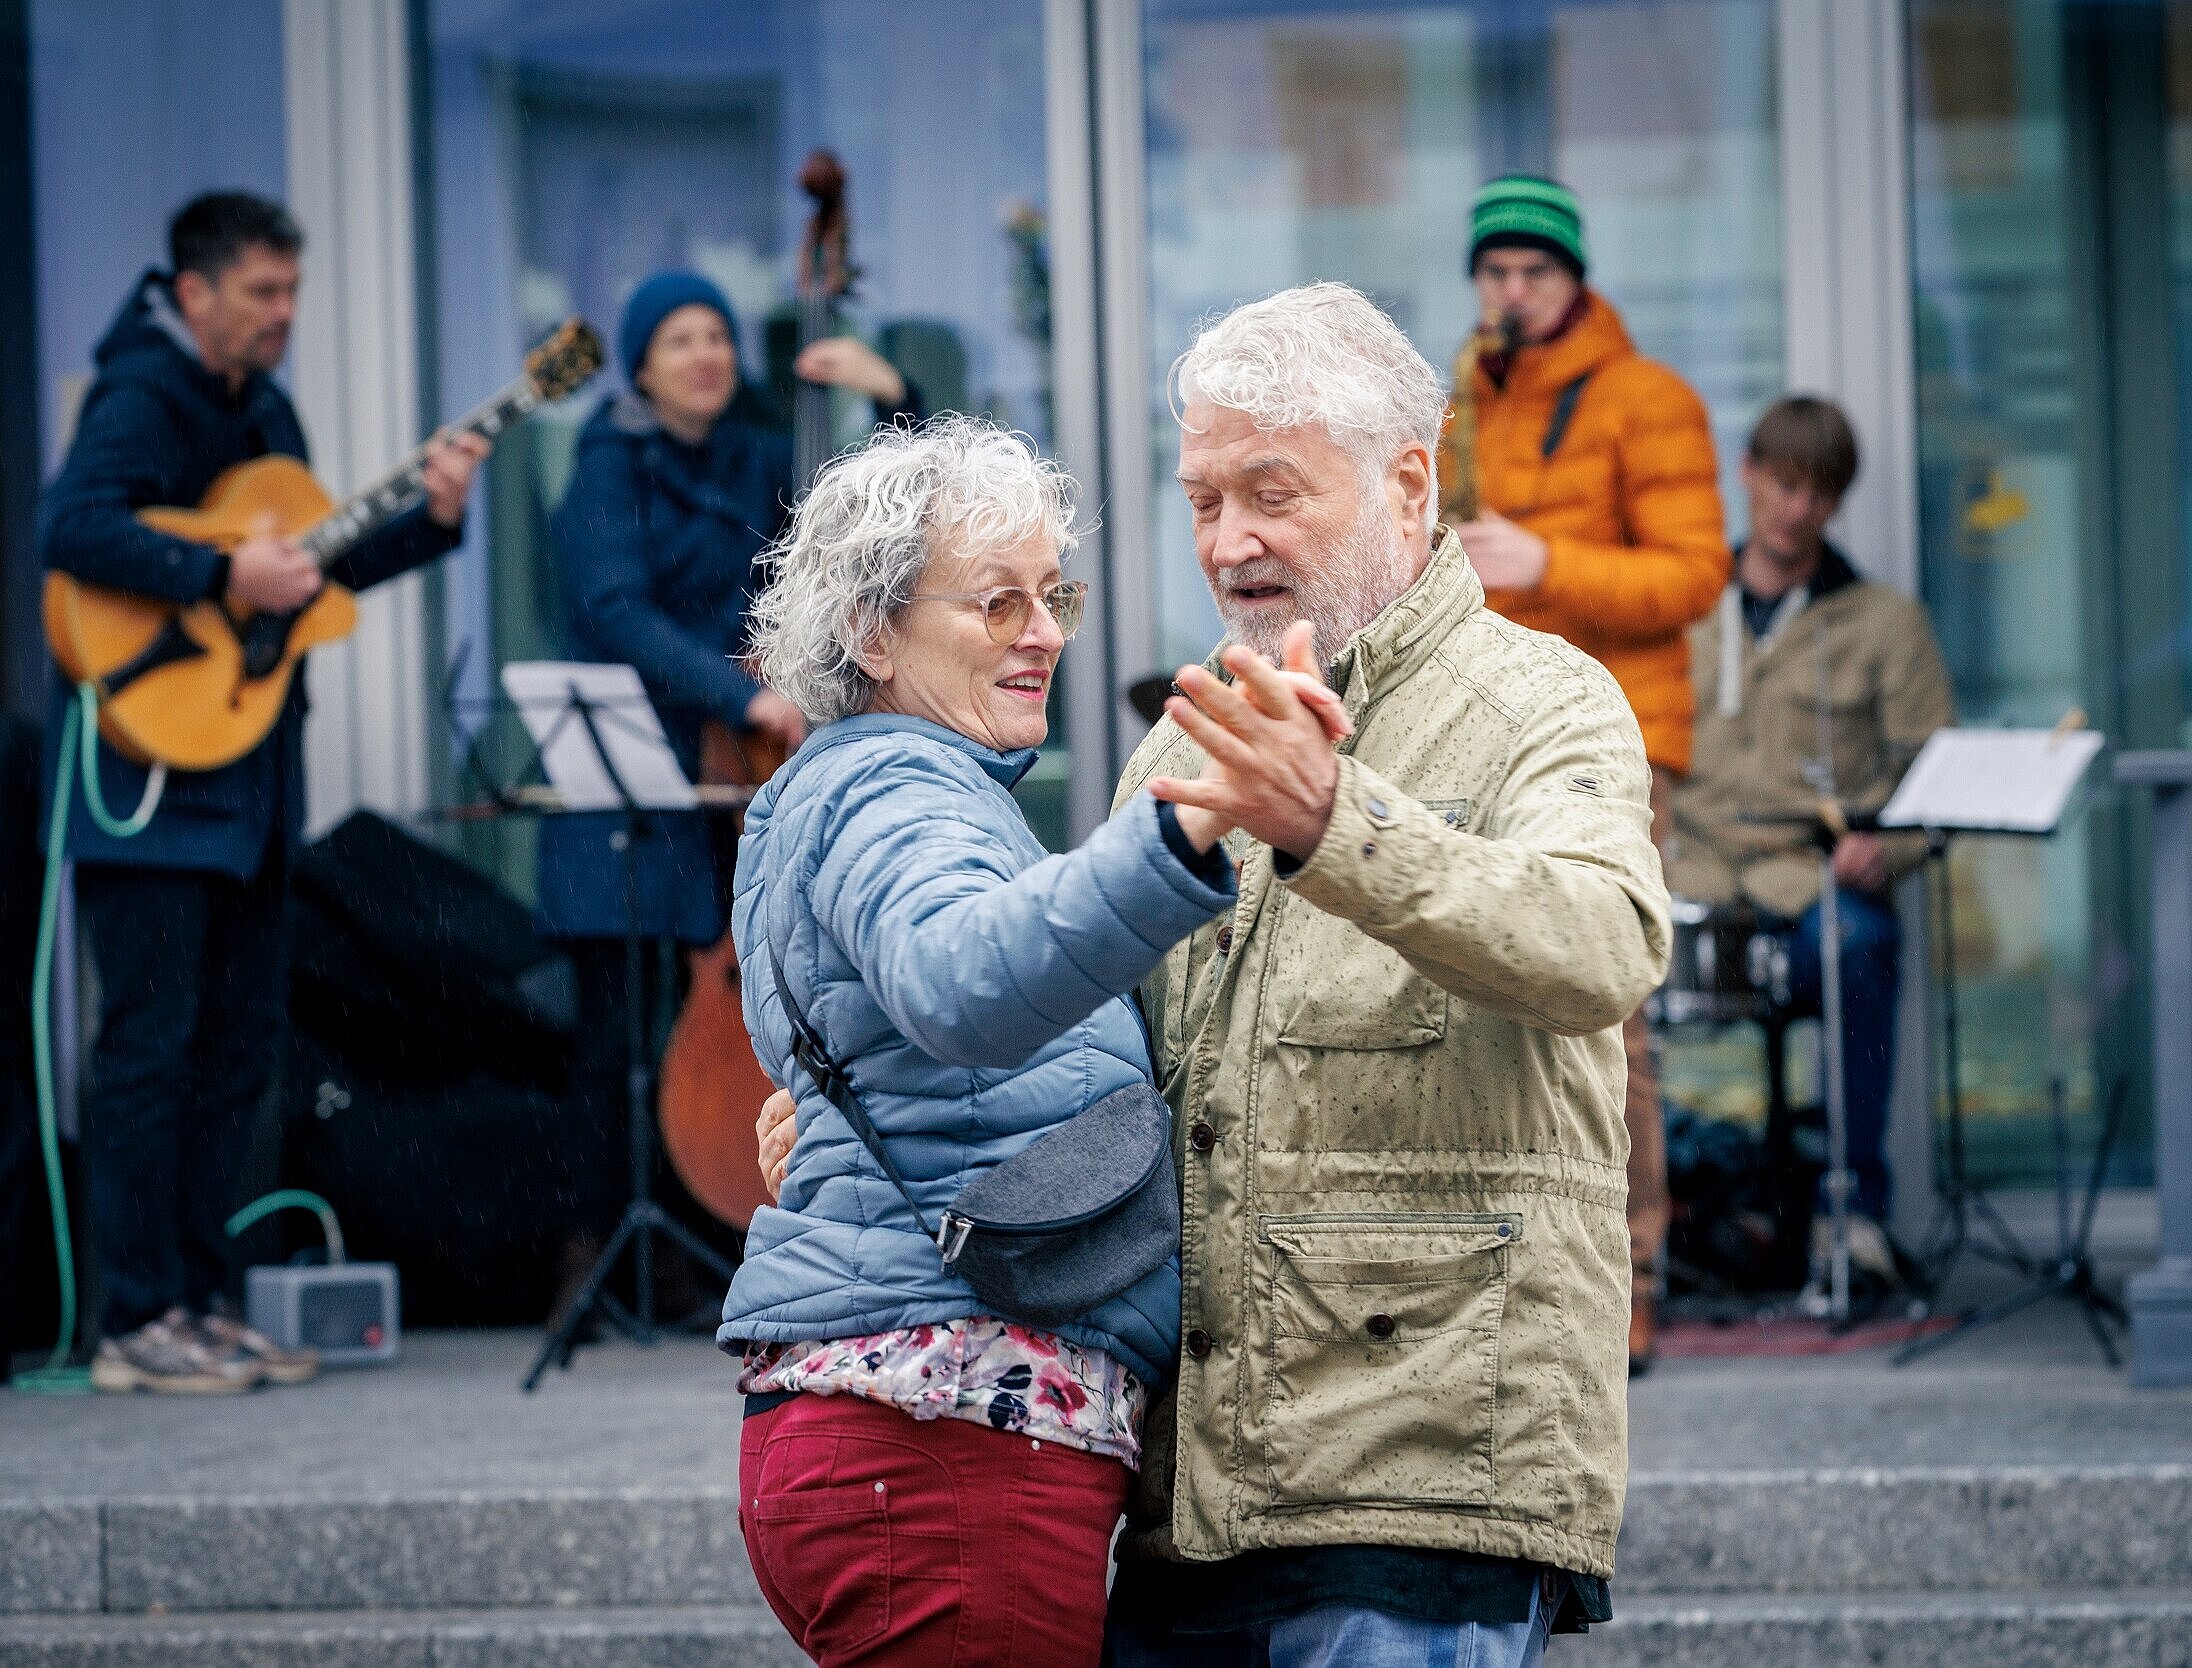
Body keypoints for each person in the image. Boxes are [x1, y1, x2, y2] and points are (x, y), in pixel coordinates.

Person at [761, 283, 1671, 1665]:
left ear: (1407, 483)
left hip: (1417, 1485)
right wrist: (853, 1115)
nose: (1227, 541)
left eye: (1270, 492)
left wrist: (1336, 825)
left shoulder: (1541, 700)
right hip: (1183, 1501)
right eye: (1201, 501)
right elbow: (1096, 1061)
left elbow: (1604, 946)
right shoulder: (1186, 741)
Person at [722, 416, 1345, 1666]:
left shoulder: (899, 788)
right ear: (872, 631)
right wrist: (1184, 834)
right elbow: (960, 980)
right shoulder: (893, 787)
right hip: (945, 1447)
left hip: (930, 1447)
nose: (1047, 632)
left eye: (1050, 594)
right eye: (997, 603)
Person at [38, 191, 489, 1392]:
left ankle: (198, 1297)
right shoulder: (142, 394)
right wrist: (214, 565)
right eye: (262, 294)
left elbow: (310, 576)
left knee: (235, 1050)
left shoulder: (265, 410)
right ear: (194, 294)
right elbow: (71, 527)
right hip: (147, 778)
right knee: (148, 1049)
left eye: (292, 293)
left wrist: (431, 519)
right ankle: (135, 1318)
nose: (284, 316)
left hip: (245, 786)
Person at [537, 270, 918, 1290]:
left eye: (716, 335)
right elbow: (612, 606)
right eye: (679, 340)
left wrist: (888, 400)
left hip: (744, 778)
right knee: (618, 1031)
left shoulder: (757, 456)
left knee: (751, 1015)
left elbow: (865, 534)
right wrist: (736, 693)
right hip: (636, 776)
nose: (705, 354)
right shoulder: (608, 464)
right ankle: (592, 1250)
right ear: (641, 365)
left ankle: (719, 1230)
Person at [1436, 173, 1729, 1370]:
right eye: (1492, 274)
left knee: (1611, 1019)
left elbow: (1693, 576)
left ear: (1575, 280)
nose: (1509, 295)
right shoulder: (1464, 395)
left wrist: (1546, 558)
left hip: (1614, 743)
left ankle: (1632, 1282)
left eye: (1532, 275)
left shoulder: (1646, 397)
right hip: (1488, 726)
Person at [1664, 395, 1954, 1274]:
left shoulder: (1885, 623)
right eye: (1785, 484)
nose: (1799, 509)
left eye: (1820, 494)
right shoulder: (1684, 605)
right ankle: (1647, 1213)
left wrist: (1889, 849)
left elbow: (1934, 780)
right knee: (1578, 957)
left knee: (1860, 946)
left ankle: (1850, 1211)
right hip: (1693, 871)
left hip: (1811, 881)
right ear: (1748, 473)